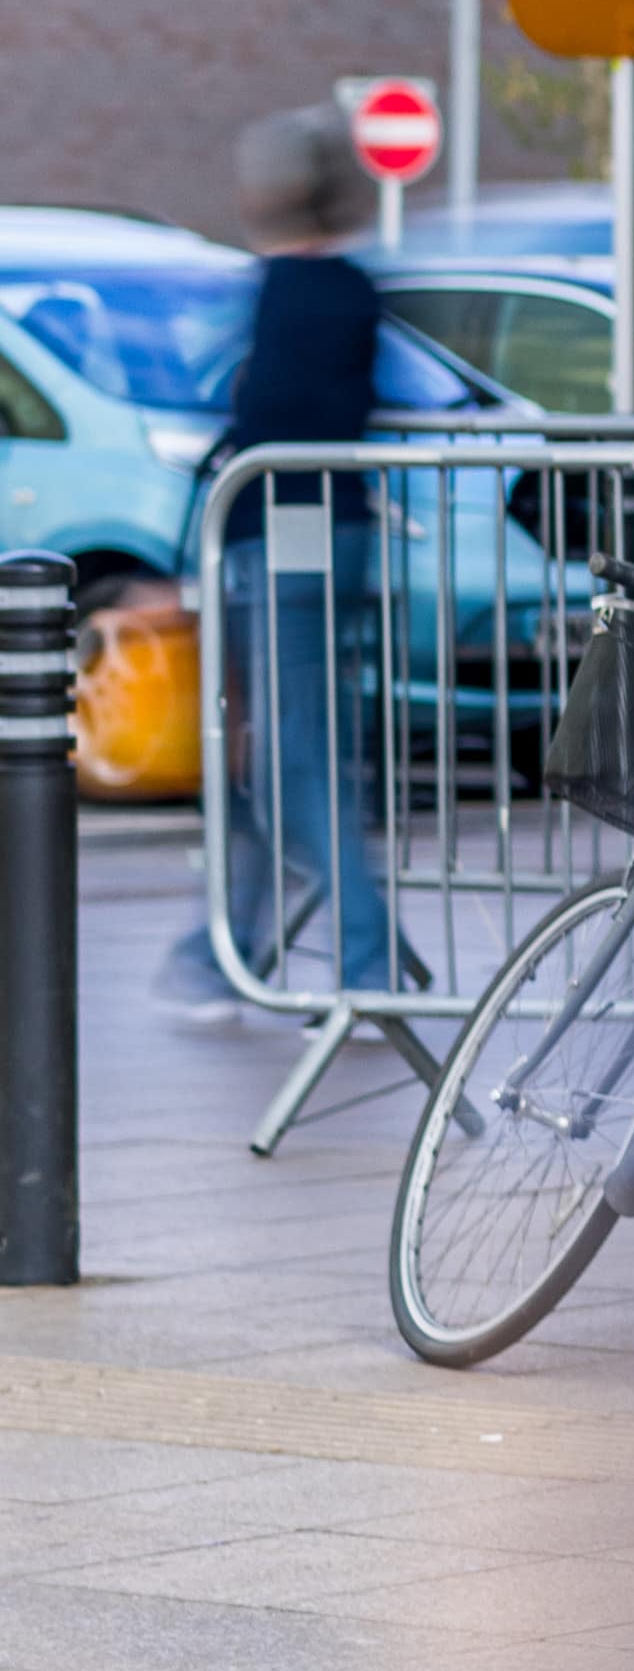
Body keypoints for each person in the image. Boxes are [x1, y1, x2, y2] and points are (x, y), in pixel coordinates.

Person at [162, 109, 397, 1029]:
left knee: (294, 759)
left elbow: (271, 411)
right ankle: (228, 949)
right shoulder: (353, 287)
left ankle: (367, 963)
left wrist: (232, 435)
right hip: (331, 533)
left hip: (283, 538)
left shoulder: (291, 291)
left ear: (273, 192)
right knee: (288, 752)